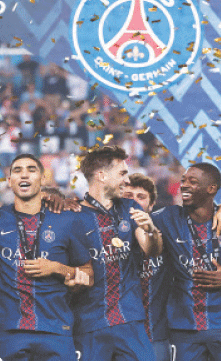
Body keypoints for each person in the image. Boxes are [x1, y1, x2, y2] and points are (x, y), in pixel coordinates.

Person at [0, 154, 93, 361]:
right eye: (17, 170)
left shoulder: (67, 219)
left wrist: (58, 268)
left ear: (43, 178)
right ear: (9, 180)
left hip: (56, 329)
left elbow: (89, 274)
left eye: (31, 169)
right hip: (9, 332)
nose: (24, 174)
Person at [71, 146, 161, 361]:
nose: (126, 180)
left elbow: (152, 249)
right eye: (121, 173)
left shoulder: (129, 207)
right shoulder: (72, 216)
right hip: (89, 323)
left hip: (129, 318)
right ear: (101, 176)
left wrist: (151, 230)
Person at [151, 163, 221, 361]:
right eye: (183, 181)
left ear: (212, 189)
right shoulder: (167, 217)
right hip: (184, 329)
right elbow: (126, 220)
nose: (184, 185)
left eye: (193, 182)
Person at [124, 173, 170, 361]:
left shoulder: (168, 231)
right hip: (120, 337)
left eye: (141, 197)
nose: (134, 202)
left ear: (152, 205)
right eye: (128, 197)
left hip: (157, 336)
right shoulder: (104, 233)